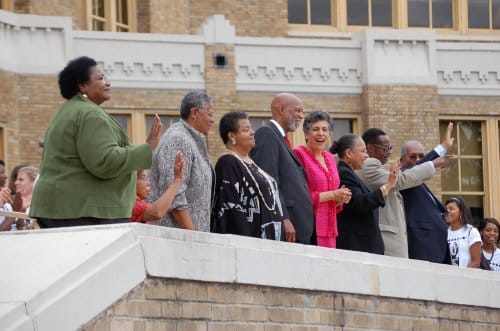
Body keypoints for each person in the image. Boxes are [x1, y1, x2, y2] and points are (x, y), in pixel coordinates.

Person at [30, 56, 158, 227]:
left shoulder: (71, 110)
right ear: (82, 84)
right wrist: (147, 148)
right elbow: (105, 161)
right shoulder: (89, 114)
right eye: (100, 78)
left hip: (66, 208)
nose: (108, 83)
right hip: (81, 210)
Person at [356, 128, 449, 258]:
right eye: (385, 148)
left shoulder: (381, 169)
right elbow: (400, 180)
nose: (388, 153)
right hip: (388, 242)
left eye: (390, 148)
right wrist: (433, 162)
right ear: (370, 148)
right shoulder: (369, 165)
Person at [250, 93, 315, 244]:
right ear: (282, 109)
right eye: (298, 110)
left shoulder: (282, 139)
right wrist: (283, 218)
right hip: (286, 229)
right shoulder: (267, 134)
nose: (301, 116)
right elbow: (268, 182)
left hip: (299, 229)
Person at [213, 111, 285, 240]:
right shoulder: (228, 163)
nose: (253, 132)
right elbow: (231, 208)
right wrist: (247, 243)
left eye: (252, 128)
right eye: (246, 130)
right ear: (231, 136)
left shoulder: (250, 163)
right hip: (249, 240)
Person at [149, 91, 214, 232]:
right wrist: (193, 234)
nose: (212, 120)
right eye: (209, 114)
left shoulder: (192, 139)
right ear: (195, 112)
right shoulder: (178, 139)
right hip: (176, 238)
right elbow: (174, 195)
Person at [330, 134, 399, 255]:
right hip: (356, 247)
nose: (367, 155)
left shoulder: (349, 173)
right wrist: (388, 186)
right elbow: (360, 203)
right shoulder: (343, 174)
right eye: (363, 151)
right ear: (349, 153)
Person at [293, 111, 351, 248]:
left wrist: (340, 198)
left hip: (330, 230)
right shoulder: (298, 155)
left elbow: (333, 201)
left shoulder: (330, 158)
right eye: (315, 129)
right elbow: (300, 197)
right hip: (310, 228)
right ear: (306, 134)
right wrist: (333, 194)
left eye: (325, 129)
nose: (321, 133)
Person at [399, 122, 454, 263]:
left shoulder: (418, 182)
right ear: (401, 161)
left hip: (436, 246)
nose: (418, 160)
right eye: (413, 157)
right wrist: (443, 147)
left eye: (421, 156)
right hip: (421, 246)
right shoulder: (402, 175)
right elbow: (419, 167)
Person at [131, 151, 185, 223]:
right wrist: (177, 180)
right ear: (131, 182)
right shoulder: (131, 204)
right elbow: (156, 212)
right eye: (143, 178)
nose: (148, 183)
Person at [444, 197, 481, 268]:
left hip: (466, 277)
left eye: (451, 209)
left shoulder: (471, 231)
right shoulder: (444, 233)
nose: (447, 212)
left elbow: (476, 262)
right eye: (446, 210)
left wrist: (462, 276)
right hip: (447, 276)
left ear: (461, 211)